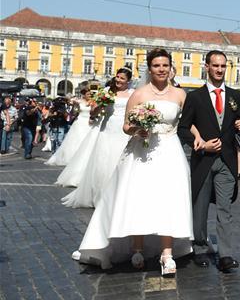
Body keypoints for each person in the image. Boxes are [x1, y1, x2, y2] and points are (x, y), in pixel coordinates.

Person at [72, 48, 192, 274]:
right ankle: (137, 248)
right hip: (141, 151)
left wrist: (201, 138)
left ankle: (167, 253)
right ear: (150, 68)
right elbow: (126, 127)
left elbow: (189, 122)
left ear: (170, 67)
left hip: (170, 149)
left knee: (169, 198)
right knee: (139, 195)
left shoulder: (180, 94)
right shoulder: (139, 94)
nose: (161, 69)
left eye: (165, 65)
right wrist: (139, 129)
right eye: (157, 66)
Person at [177, 50, 240, 272]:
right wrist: (201, 144)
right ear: (206, 67)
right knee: (200, 208)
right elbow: (183, 128)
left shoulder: (236, 96)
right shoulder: (195, 97)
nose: (219, 69)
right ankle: (199, 247)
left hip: (227, 160)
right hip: (204, 159)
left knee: (224, 209)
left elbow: (238, 126)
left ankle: (225, 254)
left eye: (223, 66)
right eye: (215, 65)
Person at [62, 68, 134, 207]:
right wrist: (101, 104)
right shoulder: (107, 91)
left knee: (121, 161)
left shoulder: (132, 94)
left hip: (124, 131)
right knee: (104, 162)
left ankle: (118, 195)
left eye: (122, 78)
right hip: (108, 129)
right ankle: (101, 195)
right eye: (117, 77)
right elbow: (94, 112)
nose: (118, 80)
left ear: (128, 81)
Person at [48, 87, 95, 167]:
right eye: (88, 94)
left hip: (89, 122)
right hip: (80, 121)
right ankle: (76, 157)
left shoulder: (92, 102)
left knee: (89, 139)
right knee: (79, 139)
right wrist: (76, 108)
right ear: (83, 95)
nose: (89, 95)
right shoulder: (78, 102)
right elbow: (73, 112)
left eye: (90, 94)